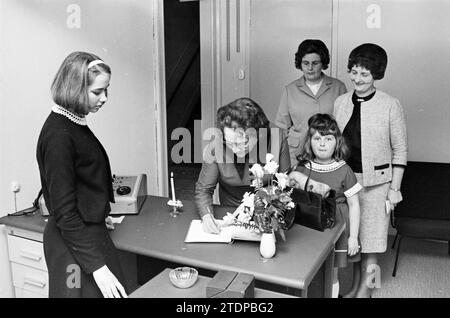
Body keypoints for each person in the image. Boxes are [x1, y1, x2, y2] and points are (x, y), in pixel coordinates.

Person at [36, 52, 127, 298]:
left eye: (107, 90)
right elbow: (65, 213)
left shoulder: (74, 123)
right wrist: (97, 267)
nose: (105, 98)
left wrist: (95, 212)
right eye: (98, 92)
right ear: (75, 88)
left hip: (88, 233)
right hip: (72, 247)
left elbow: (82, 180)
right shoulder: (59, 135)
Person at [333, 43, 407, 298]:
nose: (357, 79)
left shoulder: (390, 104)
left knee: (372, 244)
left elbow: (400, 150)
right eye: (354, 72)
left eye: (364, 74)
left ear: (376, 74)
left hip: (377, 185)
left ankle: (368, 291)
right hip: (347, 182)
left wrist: (394, 189)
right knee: (355, 241)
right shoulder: (341, 102)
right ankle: (355, 287)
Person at [195, 97, 293, 234]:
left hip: (269, 213)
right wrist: (206, 216)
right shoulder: (216, 144)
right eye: (230, 143)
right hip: (230, 213)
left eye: (243, 143)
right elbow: (203, 190)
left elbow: (285, 182)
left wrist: (271, 213)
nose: (235, 149)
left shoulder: (277, 137)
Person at [295, 113, 361, 298]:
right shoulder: (301, 168)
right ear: (309, 141)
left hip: (336, 226)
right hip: (308, 226)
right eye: (317, 138)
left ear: (337, 142)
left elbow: (354, 205)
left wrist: (353, 237)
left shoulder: (344, 170)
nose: (322, 143)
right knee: (306, 270)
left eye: (328, 138)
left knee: (331, 274)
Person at [275, 39, 347, 167]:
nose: (310, 68)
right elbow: (281, 127)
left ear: (323, 63)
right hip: (296, 154)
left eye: (315, 63)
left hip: (328, 153)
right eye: (305, 63)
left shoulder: (338, 87)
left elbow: (344, 125)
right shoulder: (290, 89)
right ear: (300, 64)